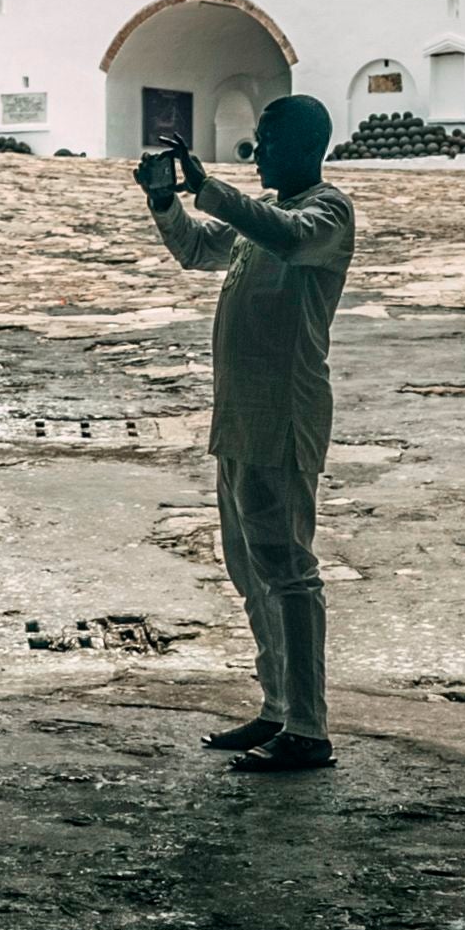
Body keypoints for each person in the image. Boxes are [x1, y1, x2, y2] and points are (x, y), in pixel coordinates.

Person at [139, 94, 356, 773]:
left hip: (283, 416)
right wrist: (166, 204)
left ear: (303, 144)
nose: (255, 150)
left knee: (288, 569)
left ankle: (309, 727)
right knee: (250, 569)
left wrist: (207, 186)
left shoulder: (325, 214)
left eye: (265, 138)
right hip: (240, 418)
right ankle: (277, 708)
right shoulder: (260, 223)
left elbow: (286, 238)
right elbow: (199, 248)